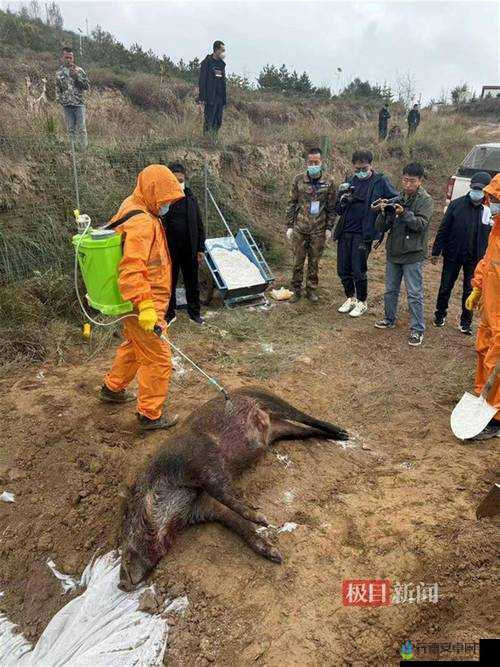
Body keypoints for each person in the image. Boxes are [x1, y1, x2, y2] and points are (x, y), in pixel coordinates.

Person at [100, 165, 185, 431]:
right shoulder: (142, 222)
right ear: (152, 191)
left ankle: (113, 388)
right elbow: (131, 268)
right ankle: (150, 415)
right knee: (159, 358)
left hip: (134, 302)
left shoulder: (134, 204)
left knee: (134, 345)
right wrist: (147, 306)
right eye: (165, 200)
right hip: (143, 303)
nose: (167, 205)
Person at [374, 162, 434, 346]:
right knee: (390, 289)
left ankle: (417, 329)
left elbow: (421, 225)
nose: (407, 185)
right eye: (405, 180)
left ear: (419, 181)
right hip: (394, 251)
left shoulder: (425, 200)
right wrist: (383, 212)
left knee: (414, 293)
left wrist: (404, 213)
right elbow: (381, 227)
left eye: (412, 181)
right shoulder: (397, 198)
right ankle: (389, 319)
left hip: (412, 254)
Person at [334, 150, 397, 317]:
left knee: (358, 268)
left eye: (364, 168)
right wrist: (341, 196)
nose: (360, 172)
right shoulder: (349, 182)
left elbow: (396, 199)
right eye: (357, 169)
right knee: (343, 268)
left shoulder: (380, 181)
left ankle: (362, 301)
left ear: (371, 166)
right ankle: (350, 298)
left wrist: (383, 207)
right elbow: (338, 209)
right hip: (345, 230)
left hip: (364, 233)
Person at [431, 171, 492, 335]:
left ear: (486, 190)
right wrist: (436, 251)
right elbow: (443, 229)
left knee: (469, 291)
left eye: (481, 190)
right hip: (453, 254)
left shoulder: (488, 210)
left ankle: (465, 322)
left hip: (475, 258)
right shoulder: (456, 205)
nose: (477, 192)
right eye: (475, 188)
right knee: (445, 287)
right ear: (471, 187)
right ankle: (439, 315)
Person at [465, 173, 500, 439]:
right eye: (492, 197)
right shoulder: (496, 228)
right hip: (490, 307)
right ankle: (482, 395)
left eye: (497, 198)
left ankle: (495, 415)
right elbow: (488, 263)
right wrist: (477, 287)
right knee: (483, 348)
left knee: (497, 357)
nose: (491, 202)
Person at [286, 147, 336, 303]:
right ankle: (295, 289)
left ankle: (311, 289)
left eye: (316, 162)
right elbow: (292, 203)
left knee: (314, 261)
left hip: (318, 229)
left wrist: (329, 228)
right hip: (300, 227)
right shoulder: (298, 180)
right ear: (306, 162)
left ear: (321, 162)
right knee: (298, 260)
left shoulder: (329, 182)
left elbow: (331, 207)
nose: (313, 164)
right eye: (310, 162)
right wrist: (289, 225)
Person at [161, 162, 206, 325]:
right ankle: (169, 313)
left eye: (181, 179)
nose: (179, 183)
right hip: (169, 250)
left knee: (192, 282)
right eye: (175, 180)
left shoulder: (191, 198)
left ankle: (194, 313)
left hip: (190, 249)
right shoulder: (163, 200)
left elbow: (199, 224)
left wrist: (200, 248)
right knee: (169, 283)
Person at [55, 46, 89, 150]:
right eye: (66, 57)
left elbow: (87, 86)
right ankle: (72, 150)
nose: (69, 60)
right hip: (67, 105)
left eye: (70, 57)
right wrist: (60, 100)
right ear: (62, 58)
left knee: (81, 129)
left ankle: (83, 150)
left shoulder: (79, 70)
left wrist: (77, 77)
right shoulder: (59, 73)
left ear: (73, 58)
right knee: (70, 129)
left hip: (78, 104)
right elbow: (57, 88)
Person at [198, 40, 227, 135]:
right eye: (222, 50)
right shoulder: (206, 63)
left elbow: (223, 82)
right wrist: (202, 97)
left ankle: (214, 140)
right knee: (209, 121)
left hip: (220, 98)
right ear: (216, 50)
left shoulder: (221, 64)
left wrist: (224, 99)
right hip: (210, 97)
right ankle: (206, 142)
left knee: (218, 121)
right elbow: (202, 81)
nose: (223, 52)